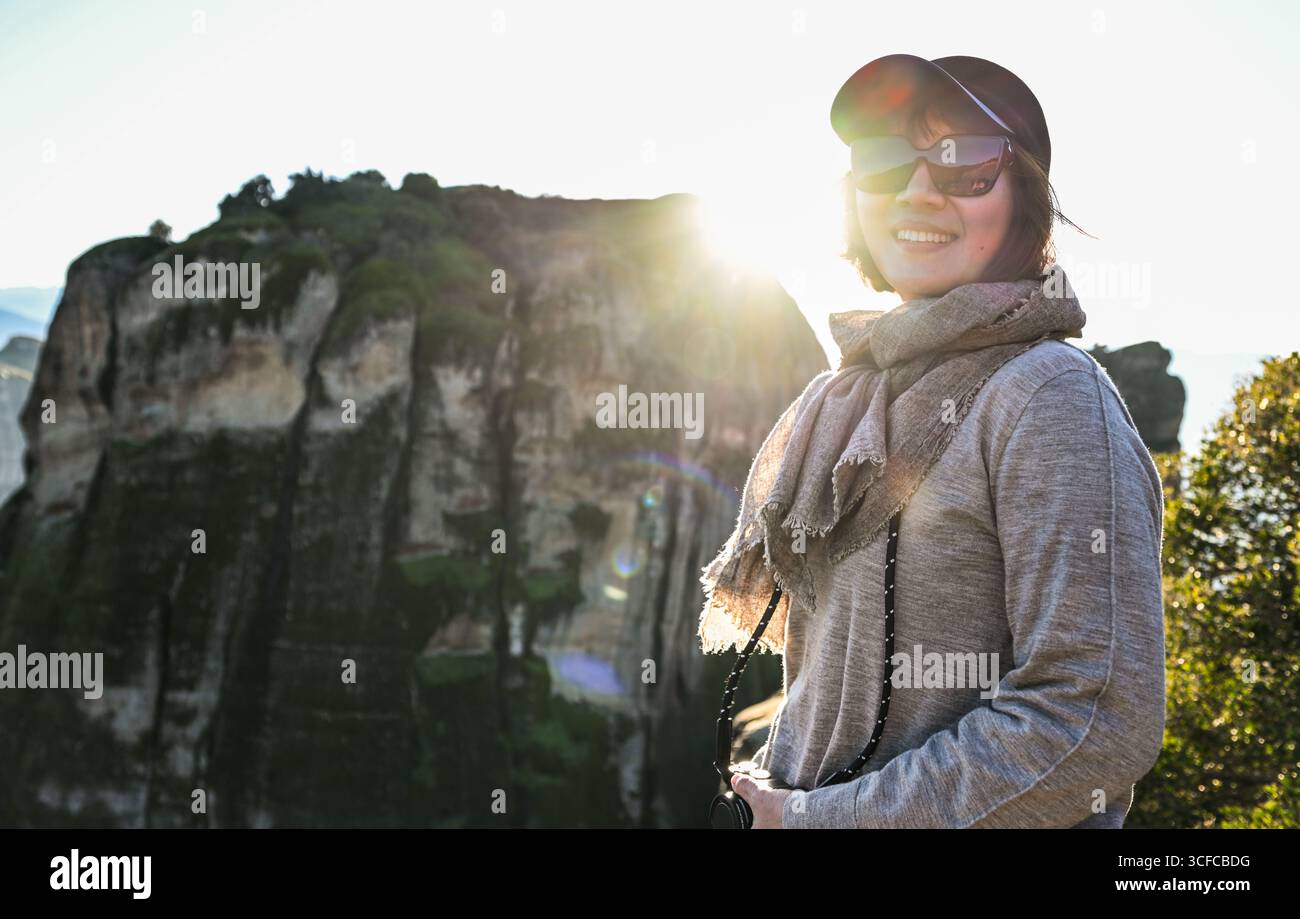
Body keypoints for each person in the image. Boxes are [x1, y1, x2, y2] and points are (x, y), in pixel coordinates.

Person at [698, 54, 1167, 828]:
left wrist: (819, 819)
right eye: (884, 163)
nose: (917, 189)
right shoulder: (850, 396)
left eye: (965, 164)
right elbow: (835, 686)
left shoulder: (1047, 396)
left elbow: (1094, 720)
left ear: (1023, 200)